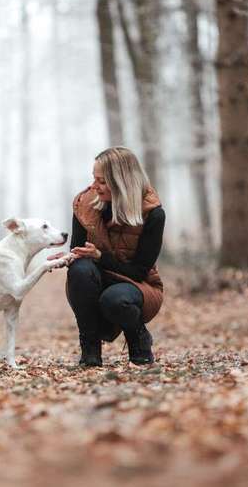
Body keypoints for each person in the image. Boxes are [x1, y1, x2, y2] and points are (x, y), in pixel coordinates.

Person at [50, 147, 165, 366]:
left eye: (101, 181)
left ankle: (138, 339)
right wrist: (66, 258)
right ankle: (90, 349)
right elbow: (80, 252)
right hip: (97, 278)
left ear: (121, 181)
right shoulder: (84, 204)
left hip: (138, 285)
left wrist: (100, 256)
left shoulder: (153, 214)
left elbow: (141, 271)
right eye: (94, 179)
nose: (94, 186)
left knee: (114, 299)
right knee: (80, 269)